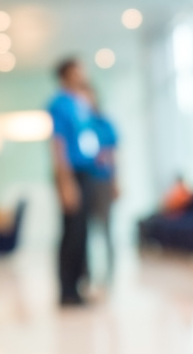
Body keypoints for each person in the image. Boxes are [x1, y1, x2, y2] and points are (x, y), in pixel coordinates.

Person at [47, 56, 99, 306]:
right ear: (66, 75)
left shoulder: (80, 103)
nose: (83, 75)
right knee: (72, 233)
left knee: (82, 233)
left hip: (85, 171)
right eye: (78, 71)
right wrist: (65, 182)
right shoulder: (59, 104)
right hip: (70, 174)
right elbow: (58, 144)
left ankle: (78, 287)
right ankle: (67, 291)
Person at [84, 83, 119, 282]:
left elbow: (114, 155)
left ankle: (110, 275)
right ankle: (87, 274)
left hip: (103, 181)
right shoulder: (80, 123)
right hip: (85, 182)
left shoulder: (105, 123)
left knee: (107, 229)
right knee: (86, 231)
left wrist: (116, 182)